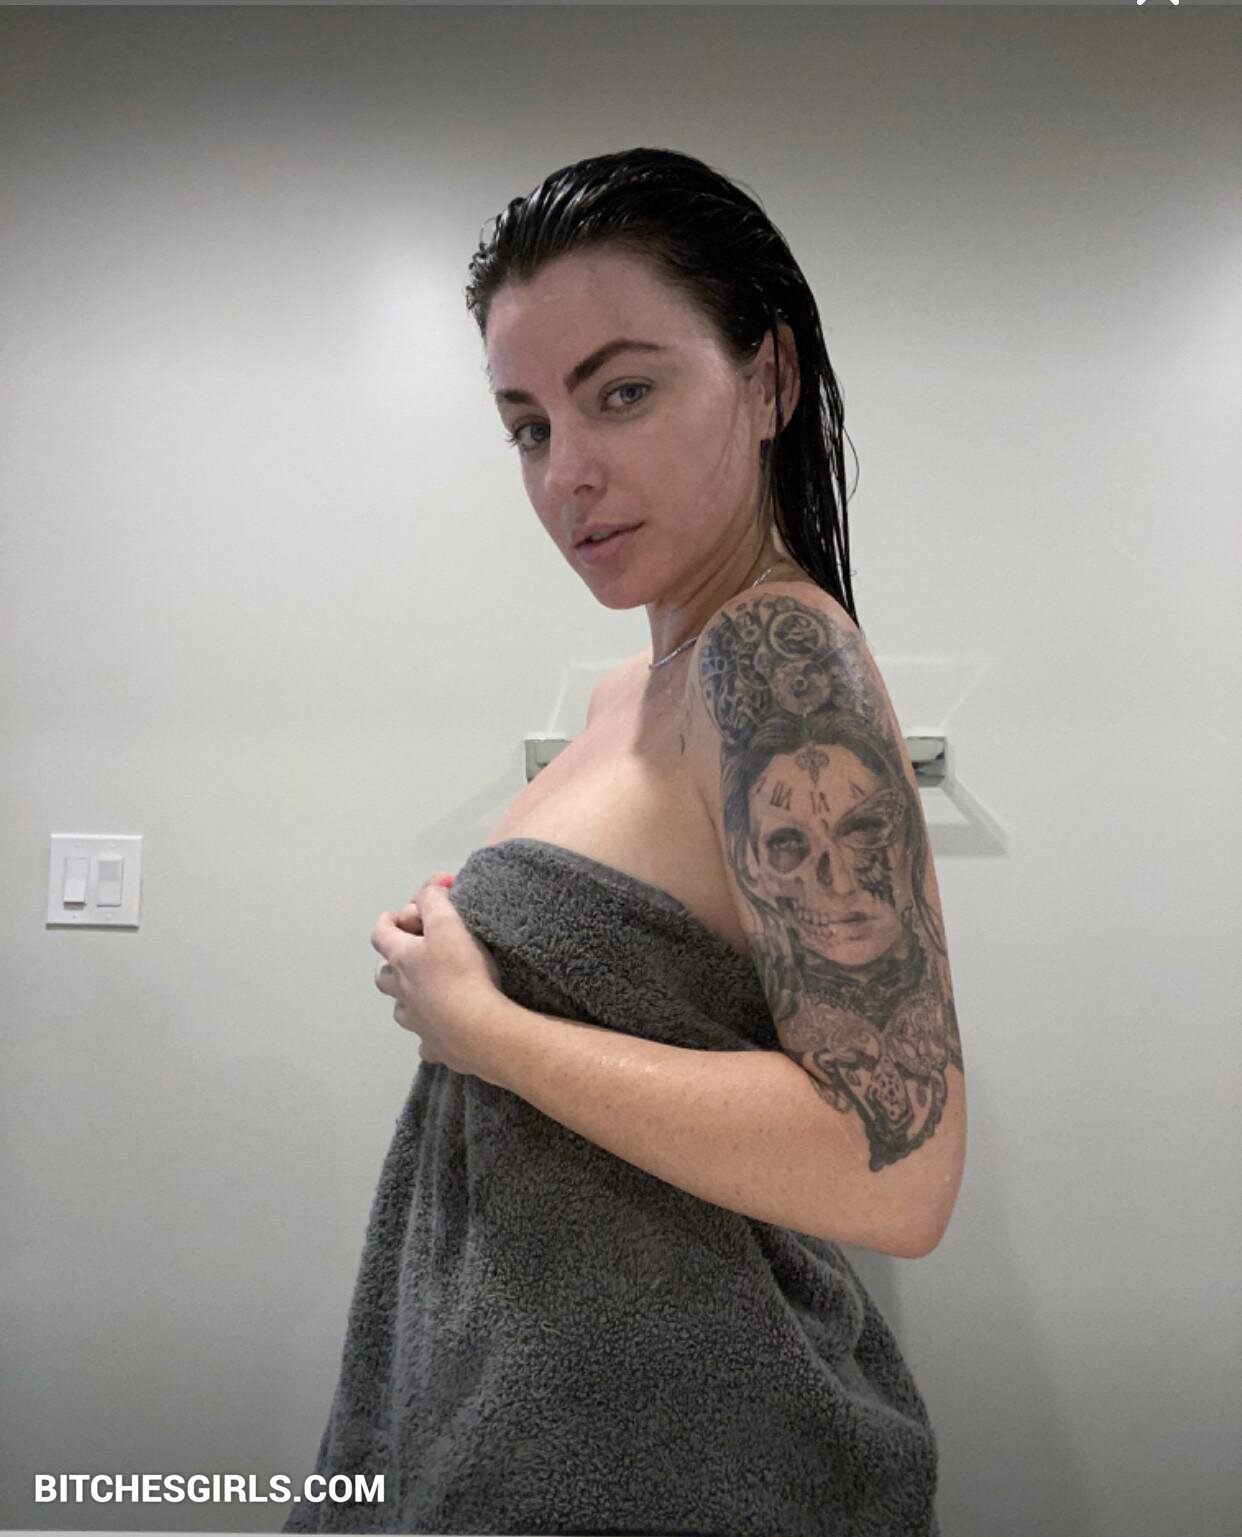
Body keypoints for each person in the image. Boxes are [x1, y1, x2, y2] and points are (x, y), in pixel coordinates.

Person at [292, 146, 963, 1537]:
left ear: (769, 380)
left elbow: (894, 1163)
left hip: (670, 1460)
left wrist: (485, 1026)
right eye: (528, 426)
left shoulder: (775, 663)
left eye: (623, 393)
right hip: (546, 1423)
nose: (569, 473)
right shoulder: (629, 692)